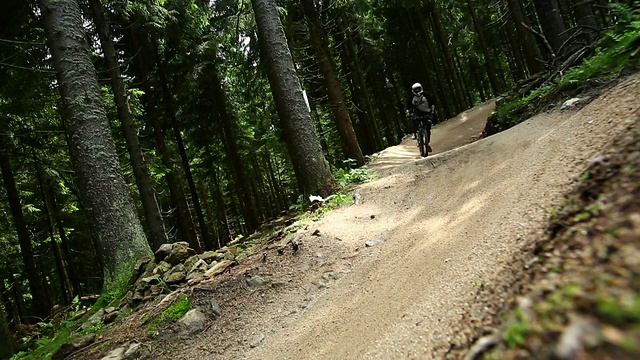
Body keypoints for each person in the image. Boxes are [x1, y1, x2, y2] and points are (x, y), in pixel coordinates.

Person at [406, 82, 435, 153]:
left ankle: (427, 143)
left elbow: (432, 103)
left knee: (428, 127)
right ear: (413, 90)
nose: (417, 91)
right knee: (414, 121)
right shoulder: (411, 97)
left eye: (418, 89)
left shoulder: (427, 95)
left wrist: (432, 112)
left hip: (426, 113)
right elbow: (408, 107)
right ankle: (415, 134)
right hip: (417, 113)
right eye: (416, 90)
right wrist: (408, 113)